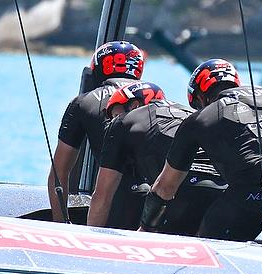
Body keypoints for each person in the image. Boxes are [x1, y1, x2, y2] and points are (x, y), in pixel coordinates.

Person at [140, 58, 262, 241]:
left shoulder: (200, 119)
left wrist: (145, 229)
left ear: (201, 97)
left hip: (250, 194)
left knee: (205, 239)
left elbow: (166, 187)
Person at [87, 81, 226, 235]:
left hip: (177, 192)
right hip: (222, 191)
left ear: (134, 106)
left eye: (115, 115)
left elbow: (102, 195)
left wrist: (90, 241)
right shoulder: (191, 113)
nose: (113, 121)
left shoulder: (123, 122)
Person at [49, 40, 145, 227]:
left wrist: (60, 224)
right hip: (161, 203)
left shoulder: (83, 102)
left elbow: (59, 172)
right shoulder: (159, 99)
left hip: (112, 201)